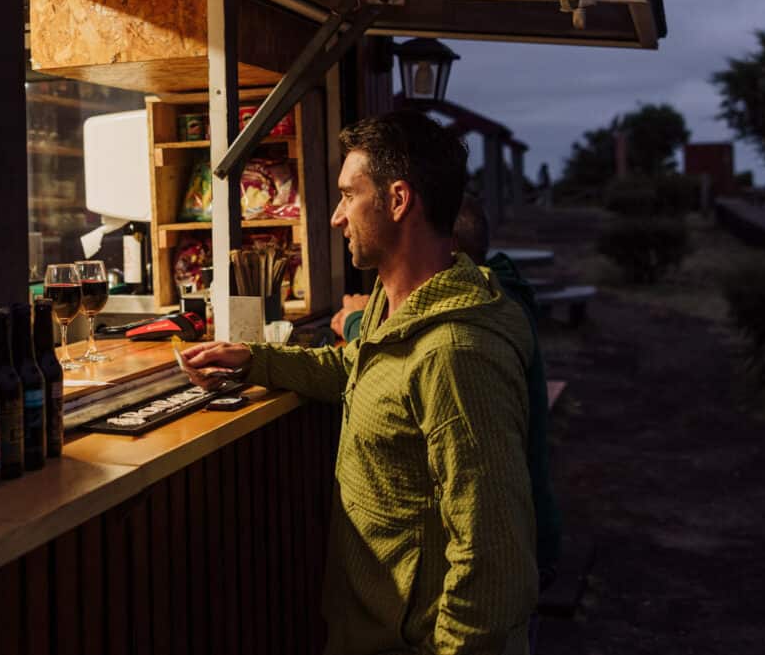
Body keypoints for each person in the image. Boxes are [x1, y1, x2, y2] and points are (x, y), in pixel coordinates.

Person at [184, 110, 538, 655]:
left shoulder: (455, 355)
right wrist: (252, 359)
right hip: (363, 631)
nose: (335, 217)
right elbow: (358, 372)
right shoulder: (394, 305)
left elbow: (495, 556)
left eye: (350, 195)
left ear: (398, 200)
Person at [338, 194, 562, 596]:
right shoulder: (500, 295)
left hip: (520, 555)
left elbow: (484, 535)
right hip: (530, 534)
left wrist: (355, 322)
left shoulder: (469, 330)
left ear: (448, 251)